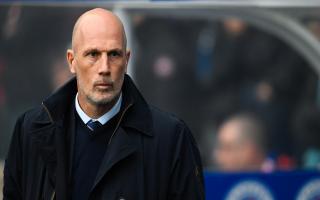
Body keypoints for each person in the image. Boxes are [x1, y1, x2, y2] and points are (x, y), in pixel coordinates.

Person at [3, 8, 205, 200]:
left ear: (127, 60)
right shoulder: (30, 130)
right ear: (72, 61)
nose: (104, 68)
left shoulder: (170, 138)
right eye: (93, 54)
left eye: (114, 54)